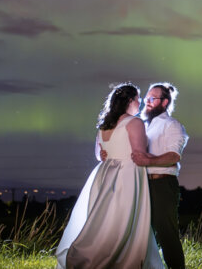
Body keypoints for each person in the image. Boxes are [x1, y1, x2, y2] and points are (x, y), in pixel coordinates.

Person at [55, 83, 163, 269]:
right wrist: (167, 160)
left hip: (105, 175)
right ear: (129, 101)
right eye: (138, 99)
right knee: (124, 219)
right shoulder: (134, 122)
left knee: (105, 220)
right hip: (127, 174)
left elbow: (99, 155)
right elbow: (139, 155)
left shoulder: (105, 125)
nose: (141, 103)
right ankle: (120, 259)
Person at [101, 82, 189, 269]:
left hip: (161, 185)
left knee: (166, 234)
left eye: (152, 99)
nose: (146, 102)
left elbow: (174, 156)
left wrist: (148, 161)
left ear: (164, 102)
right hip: (140, 185)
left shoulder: (172, 125)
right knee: (139, 234)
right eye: (146, 98)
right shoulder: (142, 125)